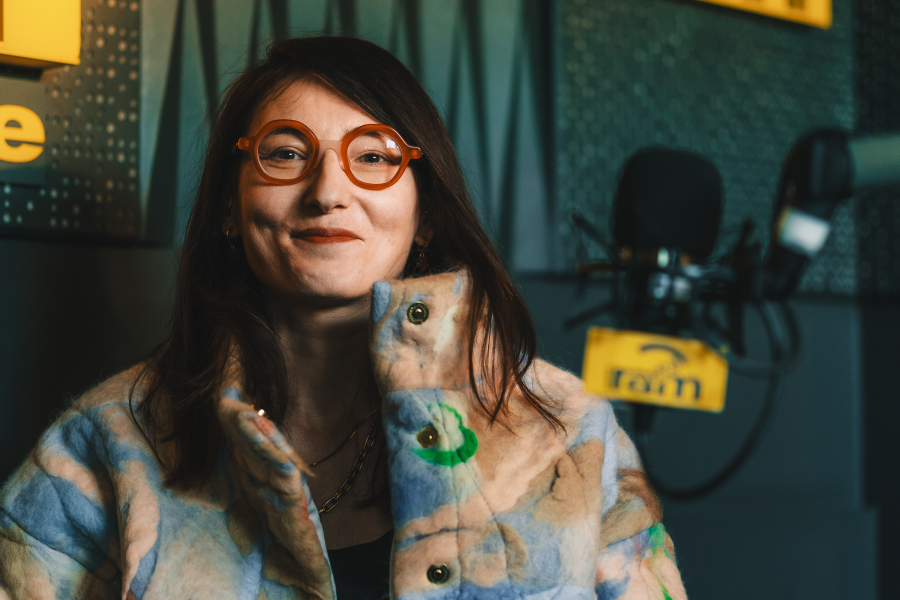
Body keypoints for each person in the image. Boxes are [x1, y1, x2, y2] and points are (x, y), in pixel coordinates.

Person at [0, 36, 687, 600]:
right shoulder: (101, 447)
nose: (328, 190)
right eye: (286, 154)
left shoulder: (568, 434)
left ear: (424, 215)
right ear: (229, 209)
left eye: (374, 157)